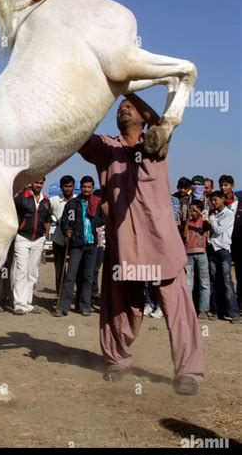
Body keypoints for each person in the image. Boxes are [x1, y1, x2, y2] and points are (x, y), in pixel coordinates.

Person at [79, 94, 203, 395]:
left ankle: (188, 371)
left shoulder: (155, 142)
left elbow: (160, 122)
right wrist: (103, 94)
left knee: (176, 308)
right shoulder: (107, 149)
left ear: (141, 115)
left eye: (129, 106)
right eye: (120, 108)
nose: (124, 109)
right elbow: (80, 134)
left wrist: (128, 87)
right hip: (124, 246)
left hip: (161, 243)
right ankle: (117, 360)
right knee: (120, 306)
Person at [54, 176, 102, 317]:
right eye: (84, 187)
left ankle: (84, 306)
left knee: (88, 276)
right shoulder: (73, 204)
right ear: (80, 187)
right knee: (70, 276)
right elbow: (65, 221)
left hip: (91, 244)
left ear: (92, 188)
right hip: (76, 244)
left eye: (89, 187)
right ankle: (63, 307)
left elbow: (102, 220)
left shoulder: (97, 203)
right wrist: (67, 230)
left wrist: (94, 219)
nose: (86, 189)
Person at [12, 178, 51, 315]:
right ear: (31, 183)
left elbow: (47, 220)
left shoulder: (46, 201)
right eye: (36, 182)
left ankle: (27, 302)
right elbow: (12, 214)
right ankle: (19, 304)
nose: (38, 185)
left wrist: (44, 236)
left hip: (38, 239)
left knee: (33, 272)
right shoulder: (21, 198)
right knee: (21, 271)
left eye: (41, 183)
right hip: (22, 237)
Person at [207, 190, 239, 322]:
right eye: (212, 200)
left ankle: (233, 312)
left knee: (227, 281)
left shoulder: (228, 214)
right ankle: (216, 310)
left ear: (222, 200)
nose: (214, 203)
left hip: (223, 249)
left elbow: (219, 230)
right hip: (212, 249)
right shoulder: (213, 214)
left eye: (216, 200)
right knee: (214, 281)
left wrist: (211, 220)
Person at [182, 200, 212, 319]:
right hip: (188, 254)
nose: (192, 212)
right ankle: (188, 309)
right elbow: (184, 236)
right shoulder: (187, 222)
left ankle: (203, 310)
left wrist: (200, 213)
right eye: (191, 209)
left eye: (194, 210)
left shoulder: (203, 221)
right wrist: (187, 221)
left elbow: (208, 226)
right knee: (188, 283)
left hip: (201, 253)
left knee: (204, 283)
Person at [49, 175, 75, 295]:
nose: (67, 189)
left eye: (70, 186)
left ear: (73, 187)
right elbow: (46, 214)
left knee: (76, 268)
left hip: (75, 239)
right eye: (65, 186)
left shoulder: (77, 200)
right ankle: (61, 293)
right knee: (59, 268)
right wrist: (55, 219)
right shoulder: (53, 200)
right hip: (59, 238)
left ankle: (74, 294)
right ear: (61, 187)